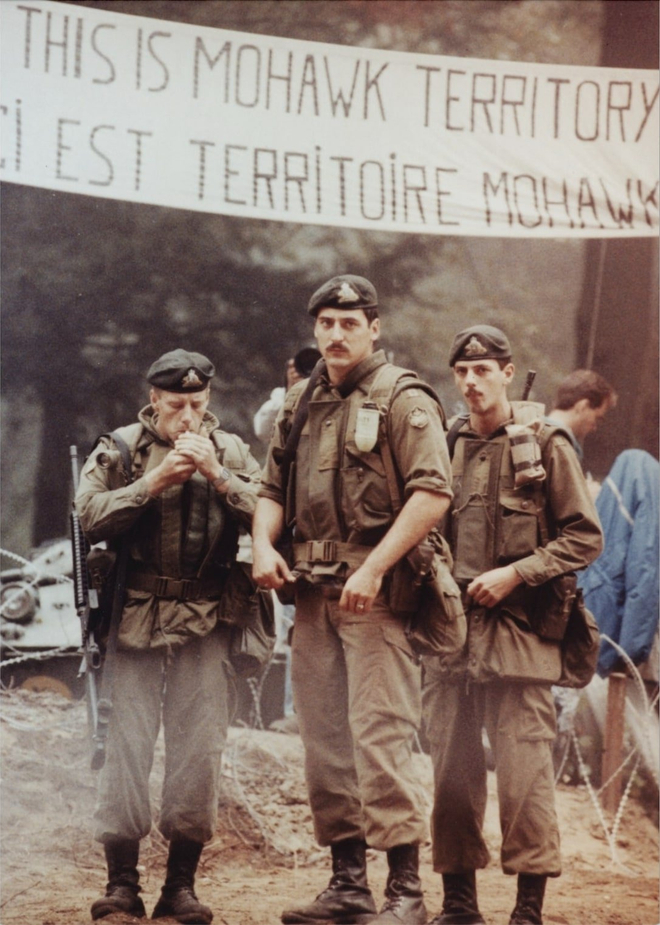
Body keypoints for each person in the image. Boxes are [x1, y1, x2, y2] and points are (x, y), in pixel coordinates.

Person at [252, 274, 454, 925]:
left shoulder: (402, 397)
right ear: (315, 329)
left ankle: (405, 892)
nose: (336, 334)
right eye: (326, 323)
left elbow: (431, 493)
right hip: (311, 598)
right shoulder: (300, 403)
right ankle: (347, 884)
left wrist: (376, 566)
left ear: (374, 326)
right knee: (326, 740)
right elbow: (271, 490)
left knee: (380, 735)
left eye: (349, 322)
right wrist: (262, 544)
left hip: (379, 600)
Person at [423, 325, 603, 925]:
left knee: (525, 779)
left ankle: (527, 909)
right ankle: (458, 904)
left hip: (521, 636)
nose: (472, 382)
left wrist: (518, 573)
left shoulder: (545, 443)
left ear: (506, 371)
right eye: (462, 372)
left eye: (483, 370)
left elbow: (584, 536)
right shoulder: (442, 446)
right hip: (450, 637)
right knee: (450, 773)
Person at [75, 348, 262, 924]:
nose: (187, 416)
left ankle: (180, 888)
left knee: (198, 753)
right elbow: (87, 517)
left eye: (197, 404)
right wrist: (152, 483)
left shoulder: (230, 450)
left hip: (206, 621)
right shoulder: (121, 449)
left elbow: (270, 512)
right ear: (154, 399)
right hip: (133, 618)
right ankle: (122, 885)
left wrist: (216, 474)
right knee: (126, 748)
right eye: (175, 404)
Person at [253, 347, 321, 734]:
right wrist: (290, 390)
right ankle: (296, 712)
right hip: (293, 523)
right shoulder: (289, 404)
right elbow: (264, 426)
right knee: (297, 625)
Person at [578, 448, 659, 678]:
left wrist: (628, 653)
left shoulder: (637, 466)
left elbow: (644, 574)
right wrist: (629, 653)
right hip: (614, 639)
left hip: (600, 633)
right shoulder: (641, 470)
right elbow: (644, 574)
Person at [253, 347, 322, 444]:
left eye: (311, 365)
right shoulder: (279, 399)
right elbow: (262, 431)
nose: (307, 370)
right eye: (294, 366)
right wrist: (291, 392)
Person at [547, 369, 617, 464]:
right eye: (597, 418)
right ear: (583, 406)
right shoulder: (564, 447)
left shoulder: (531, 431)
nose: (594, 428)